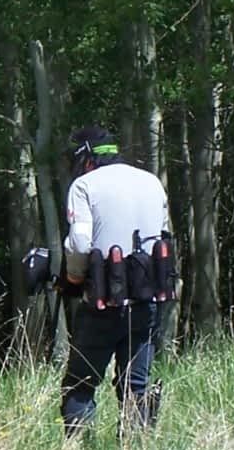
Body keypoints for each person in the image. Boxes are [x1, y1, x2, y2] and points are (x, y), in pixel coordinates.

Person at [59, 126, 175, 434]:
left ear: (86, 158)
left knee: (80, 386)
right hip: (148, 299)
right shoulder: (151, 182)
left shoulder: (84, 185)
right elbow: (163, 235)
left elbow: (80, 244)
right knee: (136, 388)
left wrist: (73, 277)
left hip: (102, 300)